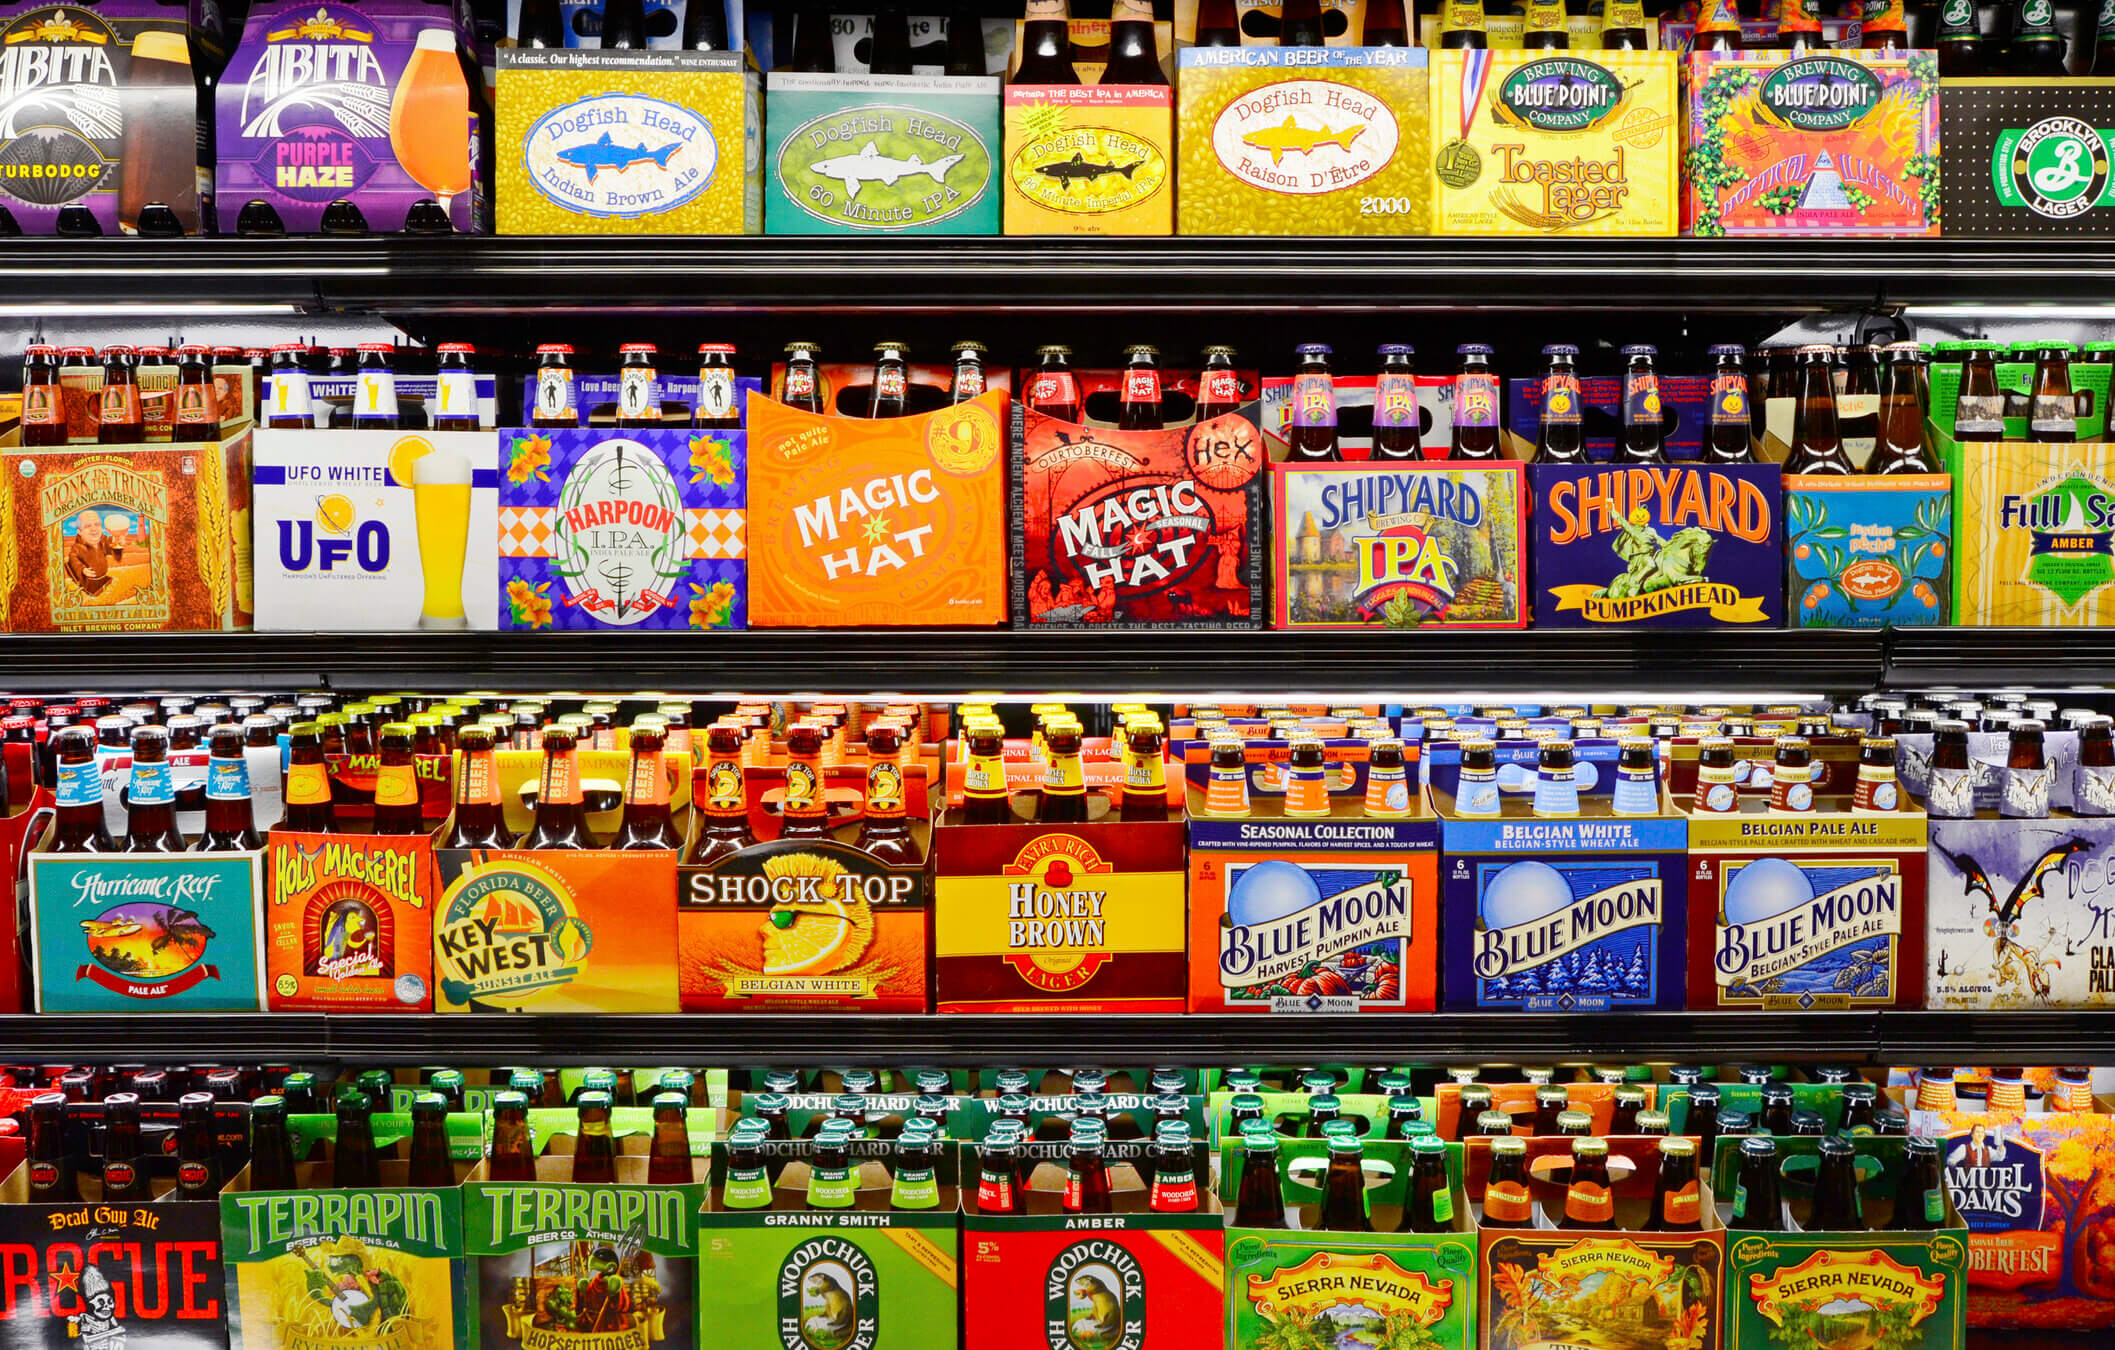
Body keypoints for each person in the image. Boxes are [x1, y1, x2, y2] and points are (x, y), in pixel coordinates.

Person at [66, 512, 112, 596]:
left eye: (97, 524)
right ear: (80, 532)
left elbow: (110, 546)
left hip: (102, 577)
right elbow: (73, 559)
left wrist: (117, 542)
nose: (94, 529)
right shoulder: (77, 547)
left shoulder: (103, 540)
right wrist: (82, 569)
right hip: (90, 581)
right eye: (87, 526)